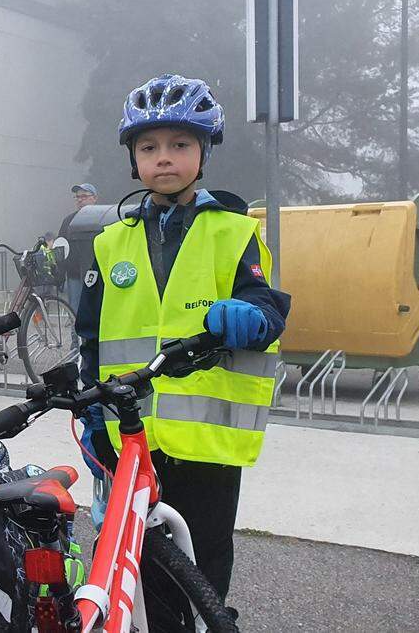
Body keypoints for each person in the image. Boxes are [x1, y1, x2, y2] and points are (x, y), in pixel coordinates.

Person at [74, 74, 290, 622]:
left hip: (208, 440)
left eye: (179, 145)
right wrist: (94, 414)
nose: (164, 158)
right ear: (133, 159)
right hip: (132, 436)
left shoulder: (233, 232)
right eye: (149, 147)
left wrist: (252, 317)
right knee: (141, 564)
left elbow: (269, 307)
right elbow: (91, 337)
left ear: (204, 152)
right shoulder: (109, 241)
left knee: (205, 560)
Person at [58, 182, 99, 311]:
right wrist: (60, 273)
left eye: (84, 196)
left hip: (98, 274)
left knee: (96, 309)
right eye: (77, 197)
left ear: (94, 198)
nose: (80, 200)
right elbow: (61, 247)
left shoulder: (103, 218)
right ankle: (75, 332)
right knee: (75, 311)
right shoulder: (68, 221)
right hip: (74, 275)